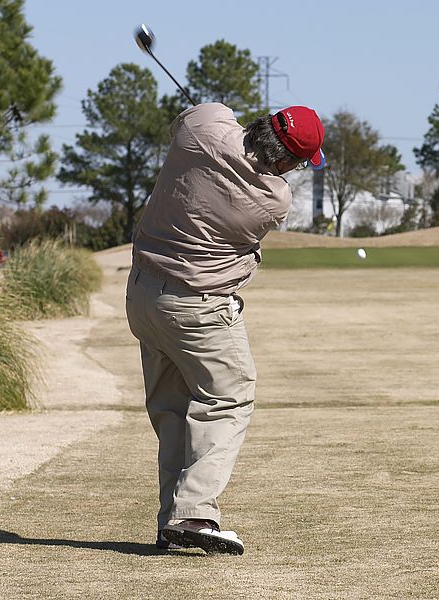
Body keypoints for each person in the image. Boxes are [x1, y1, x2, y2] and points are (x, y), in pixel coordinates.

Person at [125, 102, 324, 555]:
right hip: (198, 308)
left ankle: (171, 522)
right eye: (297, 163)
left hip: (142, 295)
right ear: (286, 161)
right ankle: (193, 514)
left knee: (173, 409)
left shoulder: (205, 122)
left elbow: (193, 118)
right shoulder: (275, 200)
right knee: (230, 396)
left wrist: (216, 126)